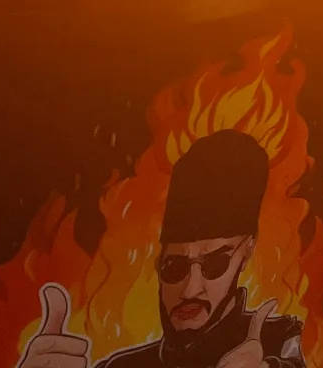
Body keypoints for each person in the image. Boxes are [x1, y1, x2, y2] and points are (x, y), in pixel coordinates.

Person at [16, 132, 304, 368]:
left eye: (214, 264)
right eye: (175, 267)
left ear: (247, 252)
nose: (190, 289)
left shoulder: (281, 341)